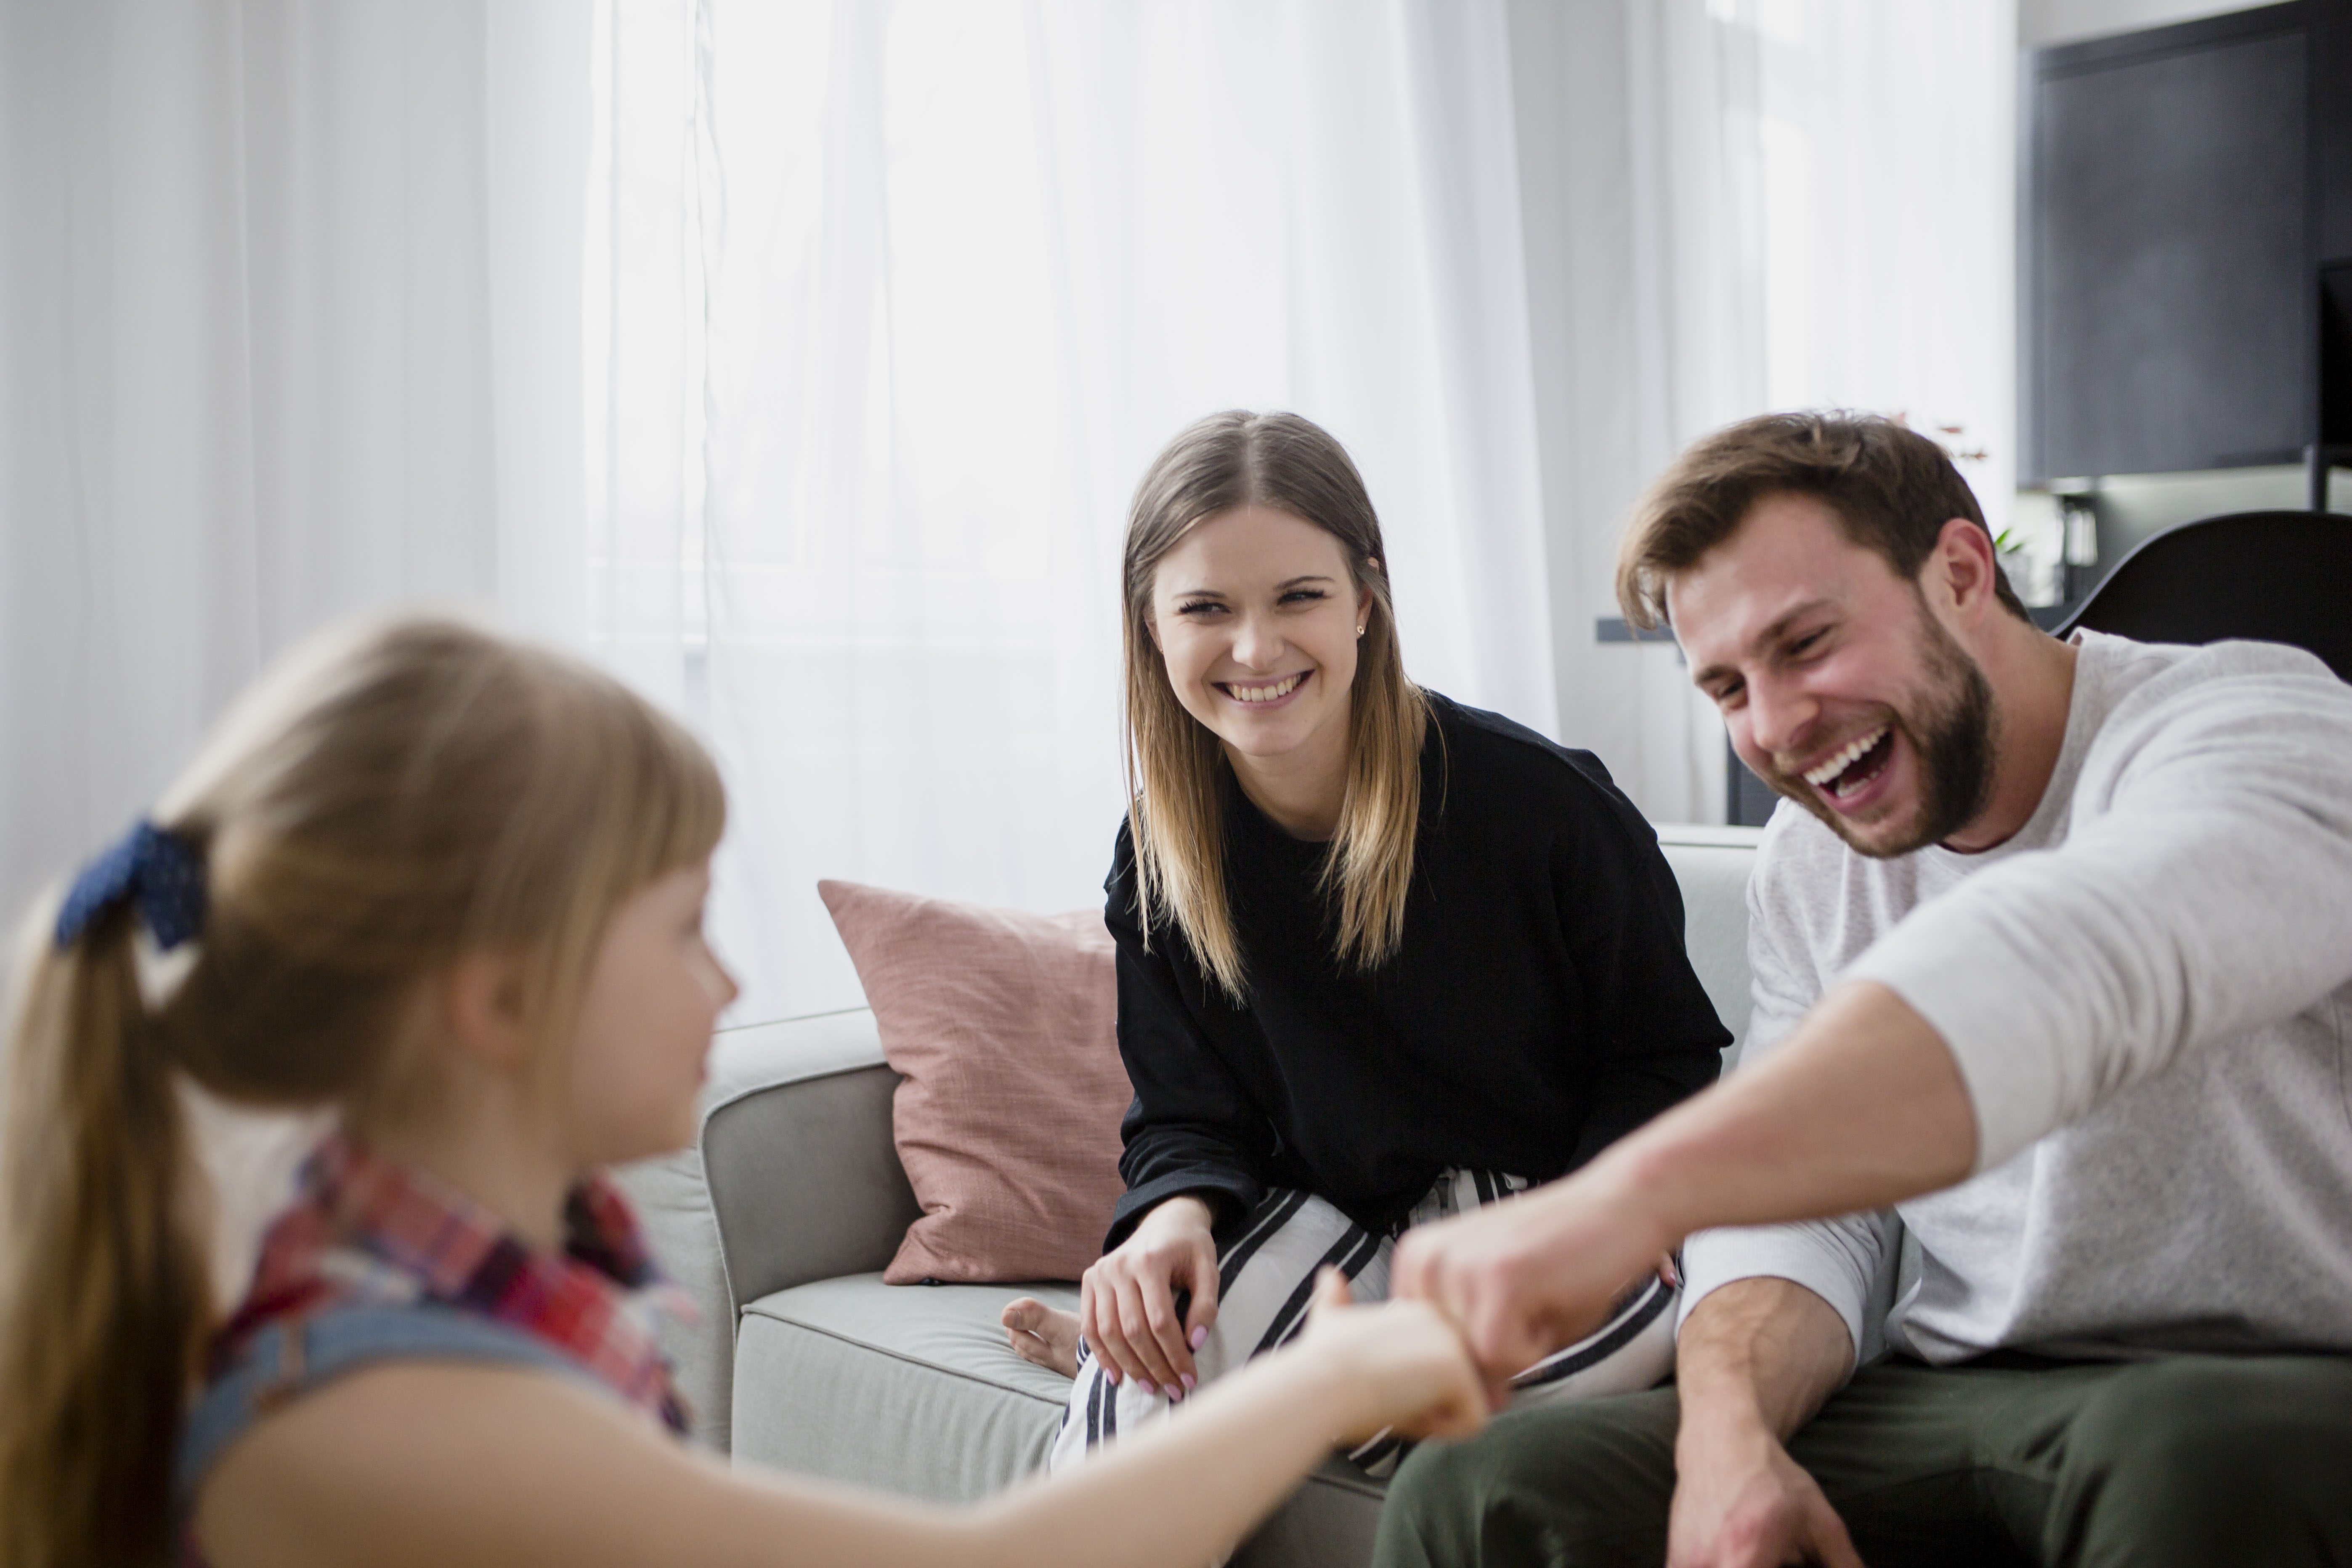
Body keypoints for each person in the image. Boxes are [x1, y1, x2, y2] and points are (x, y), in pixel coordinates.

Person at [0, 617, 1492, 1568]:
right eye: (682, 926)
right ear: (502, 995)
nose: (727, 986)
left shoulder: (468, 1266)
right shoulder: (373, 1404)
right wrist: (1327, 1376)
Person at [1371, 412, 2352, 1568]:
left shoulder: (2255, 725)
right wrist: (1727, 1444)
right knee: (1486, 1487)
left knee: (2193, 1455)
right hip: (1962, 1394)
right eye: (1726, 687)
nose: (1777, 727)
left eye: (1804, 644)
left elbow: (2076, 962)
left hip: (2272, 1383)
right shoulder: (1813, 858)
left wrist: (1622, 1199)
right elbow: (1797, 1220)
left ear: (1957, 574)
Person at [999, 410, 1730, 1475]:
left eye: (1298, 596)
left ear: (1365, 602)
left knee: (1501, 1406)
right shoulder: (1159, 852)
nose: (1255, 648)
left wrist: (1599, 1220)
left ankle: (1265, 1375)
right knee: (1140, 1375)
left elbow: (1665, 1054)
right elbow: (1186, 1111)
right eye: (1205, 607)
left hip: (1553, 1211)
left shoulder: (1540, 803)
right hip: (1326, 1216)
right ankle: (1208, 1368)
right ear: (1150, 626)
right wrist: (1169, 1219)